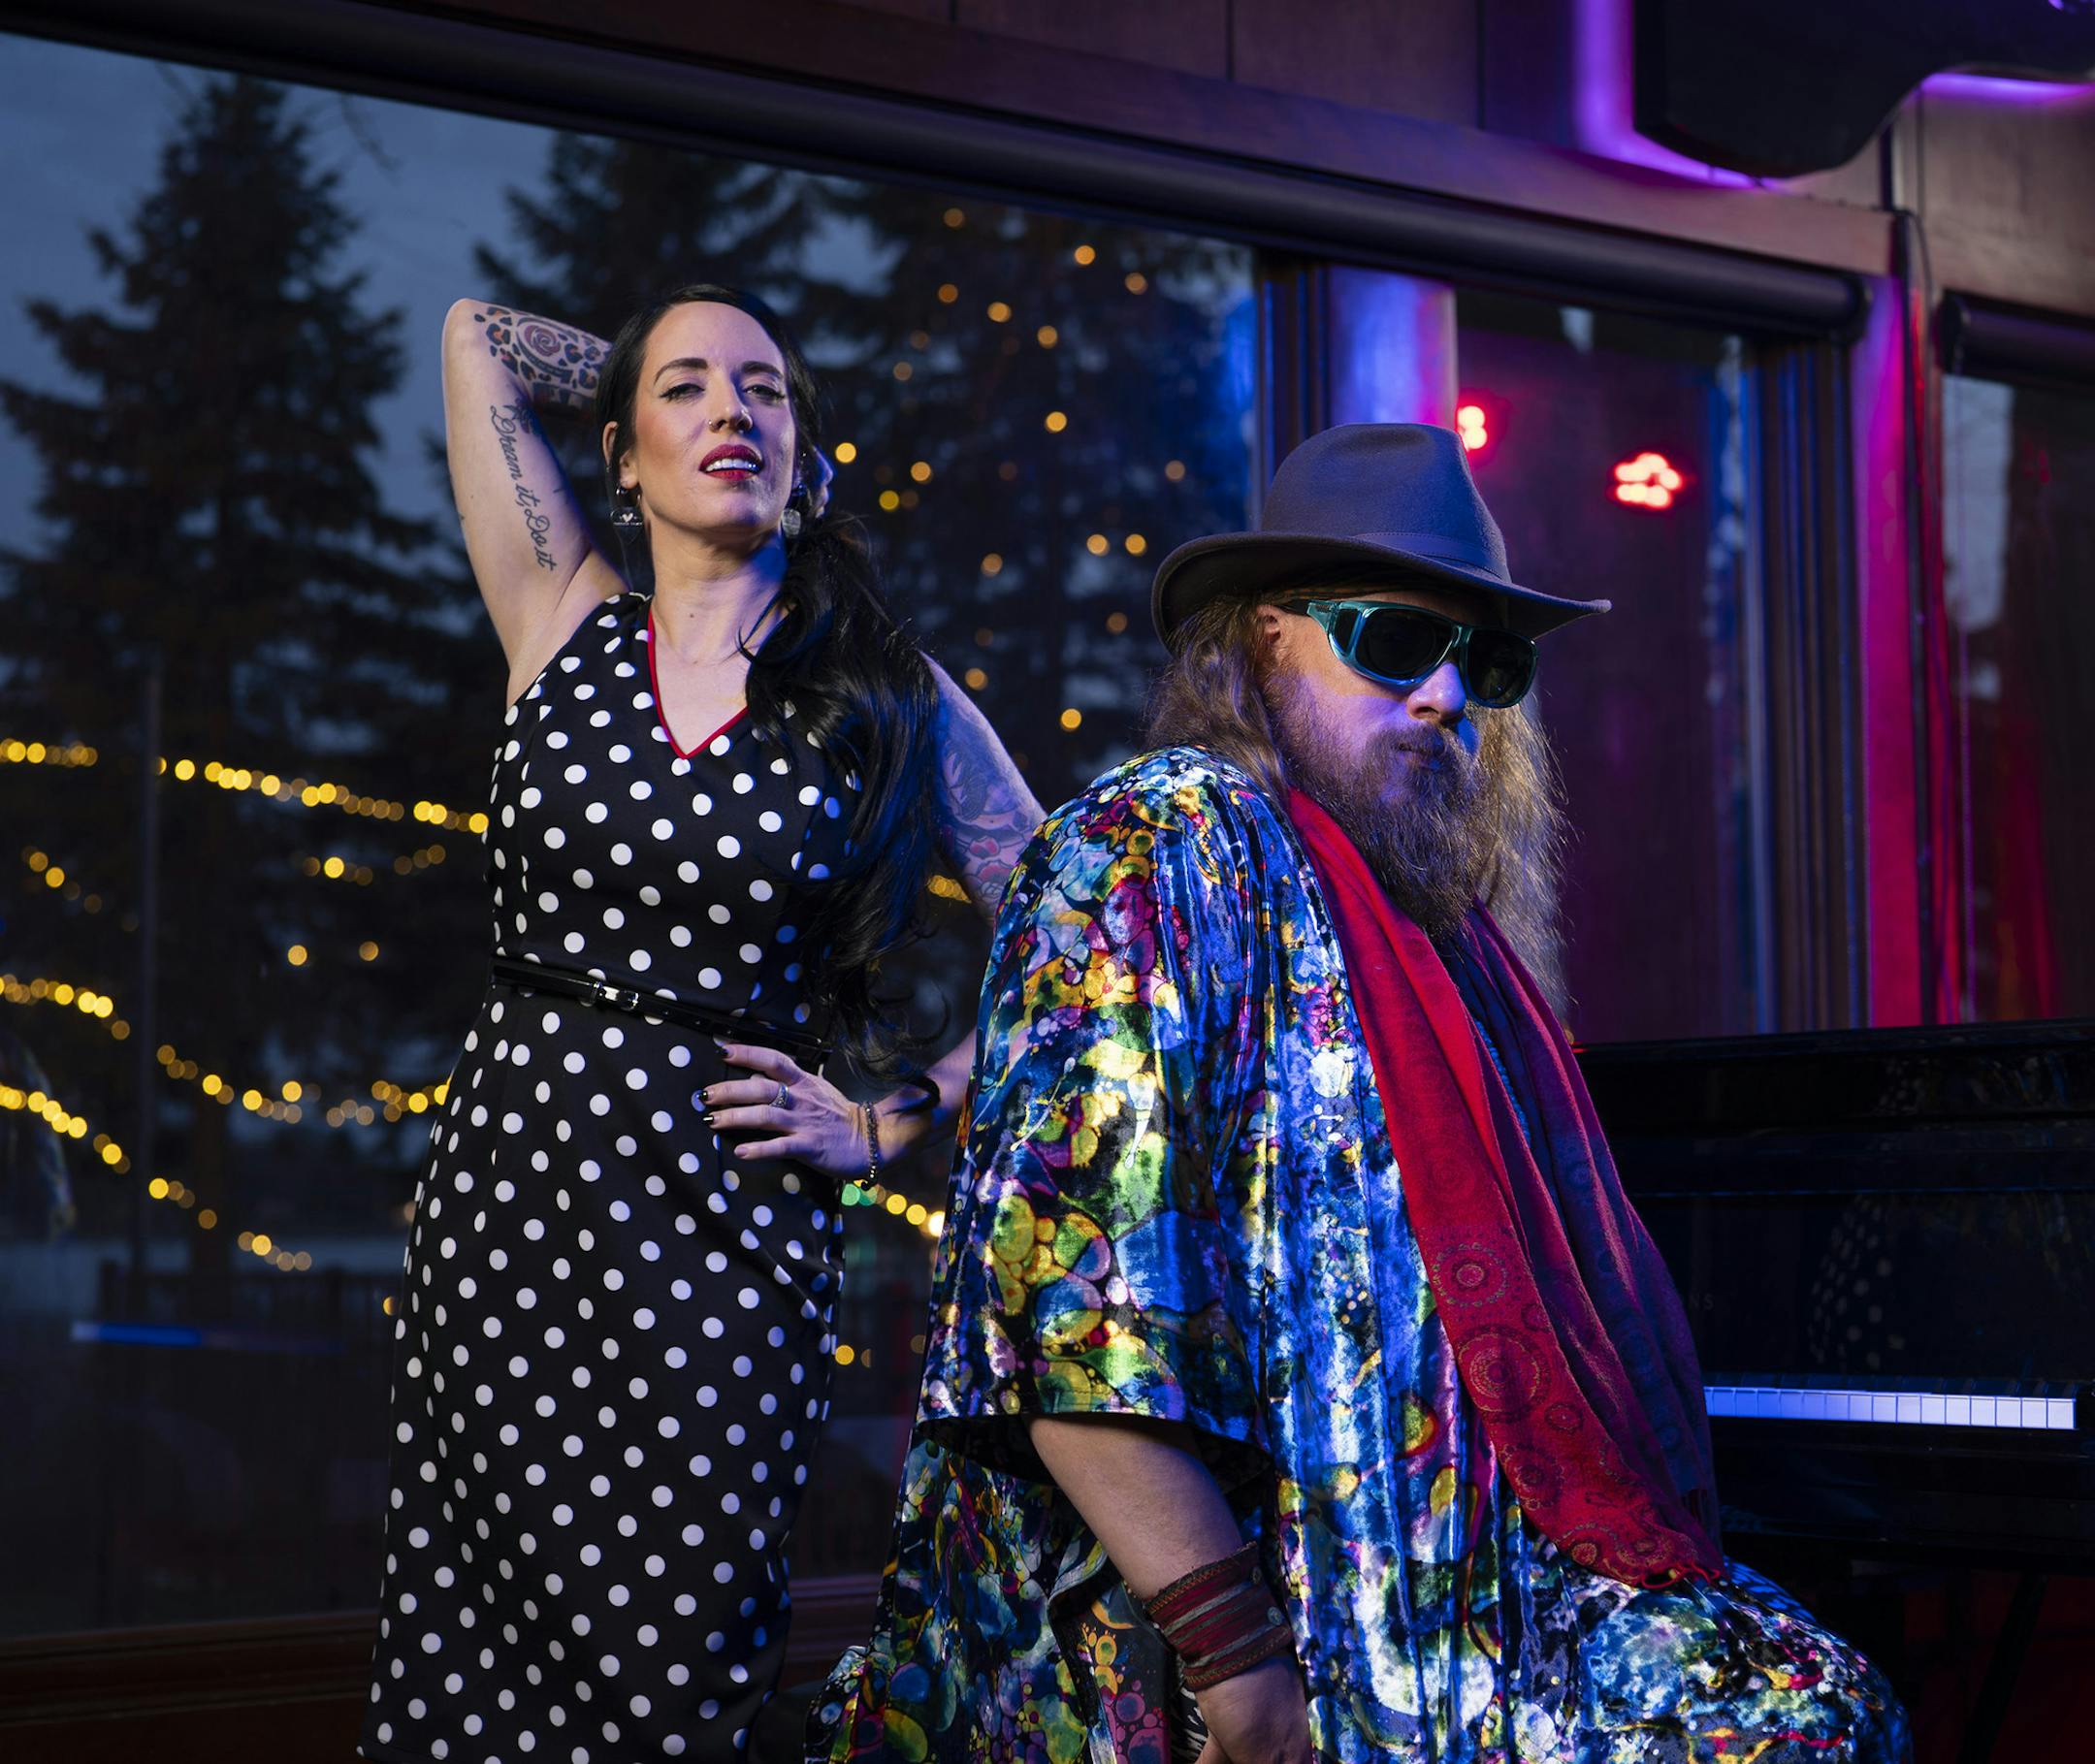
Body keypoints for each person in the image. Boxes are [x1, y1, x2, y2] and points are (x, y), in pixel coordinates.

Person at [808, 424, 1910, 1763]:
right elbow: (1064, 1313)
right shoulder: (1159, 842)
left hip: (1484, 1605)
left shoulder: (1434, 925)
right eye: (1396, 640)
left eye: (1486, 661)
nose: (1449, 695)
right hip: (1264, 1639)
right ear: (1267, 638)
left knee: (1823, 1704)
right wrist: (1238, 1659)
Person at [361, 284, 1042, 1764]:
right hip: (502, 1225)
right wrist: (632, 362)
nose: (732, 411)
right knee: (464, 1673)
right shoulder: (559, 619)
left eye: (767, 391)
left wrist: (890, 1121)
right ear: (619, 454)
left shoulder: (885, 694)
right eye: (688, 389)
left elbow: (1092, 955)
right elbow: (471, 331)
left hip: (721, 1249)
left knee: (672, 1681)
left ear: (810, 452)